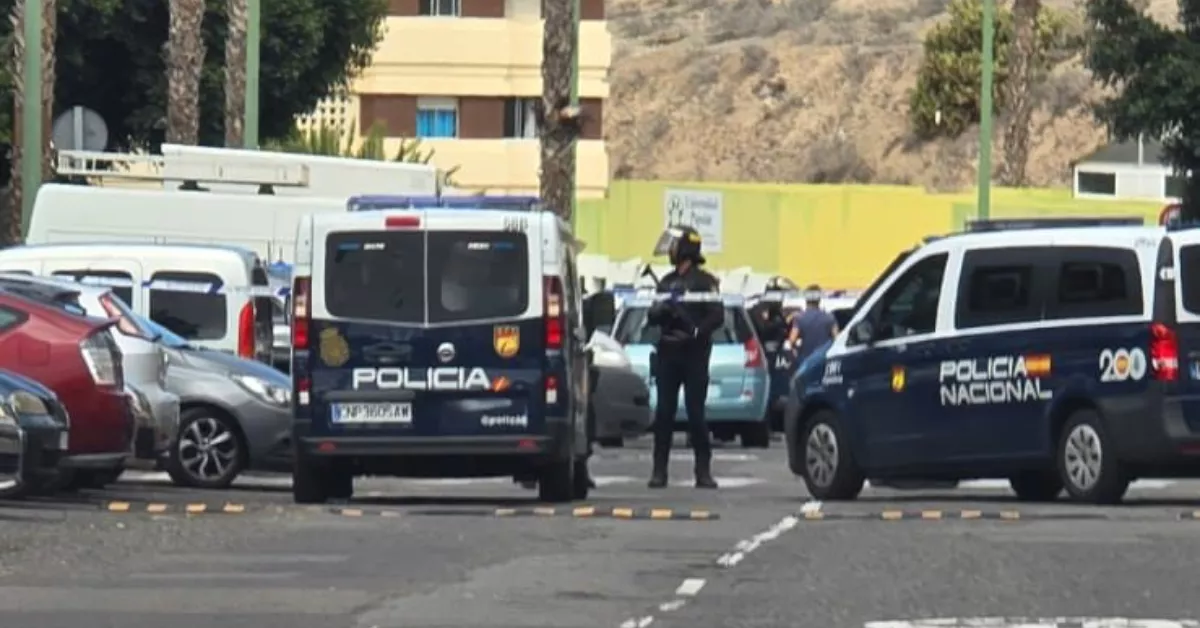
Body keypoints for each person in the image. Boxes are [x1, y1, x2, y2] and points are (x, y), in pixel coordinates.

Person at [646, 226, 724, 489]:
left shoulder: (705, 282)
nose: (671, 250)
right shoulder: (666, 282)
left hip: (694, 354)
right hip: (668, 353)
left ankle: (703, 471)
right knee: (664, 414)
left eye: (675, 245)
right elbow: (651, 316)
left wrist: (698, 331)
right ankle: (659, 471)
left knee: (696, 414)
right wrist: (662, 310)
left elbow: (717, 315)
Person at [787, 284, 839, 364]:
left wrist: (796, 351)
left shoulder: (800, 317)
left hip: (806, 359)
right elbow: (837, 339)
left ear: (806, 299)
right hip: (823, 359)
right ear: (819, 299)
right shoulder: (829, 317)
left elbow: (792, 340)